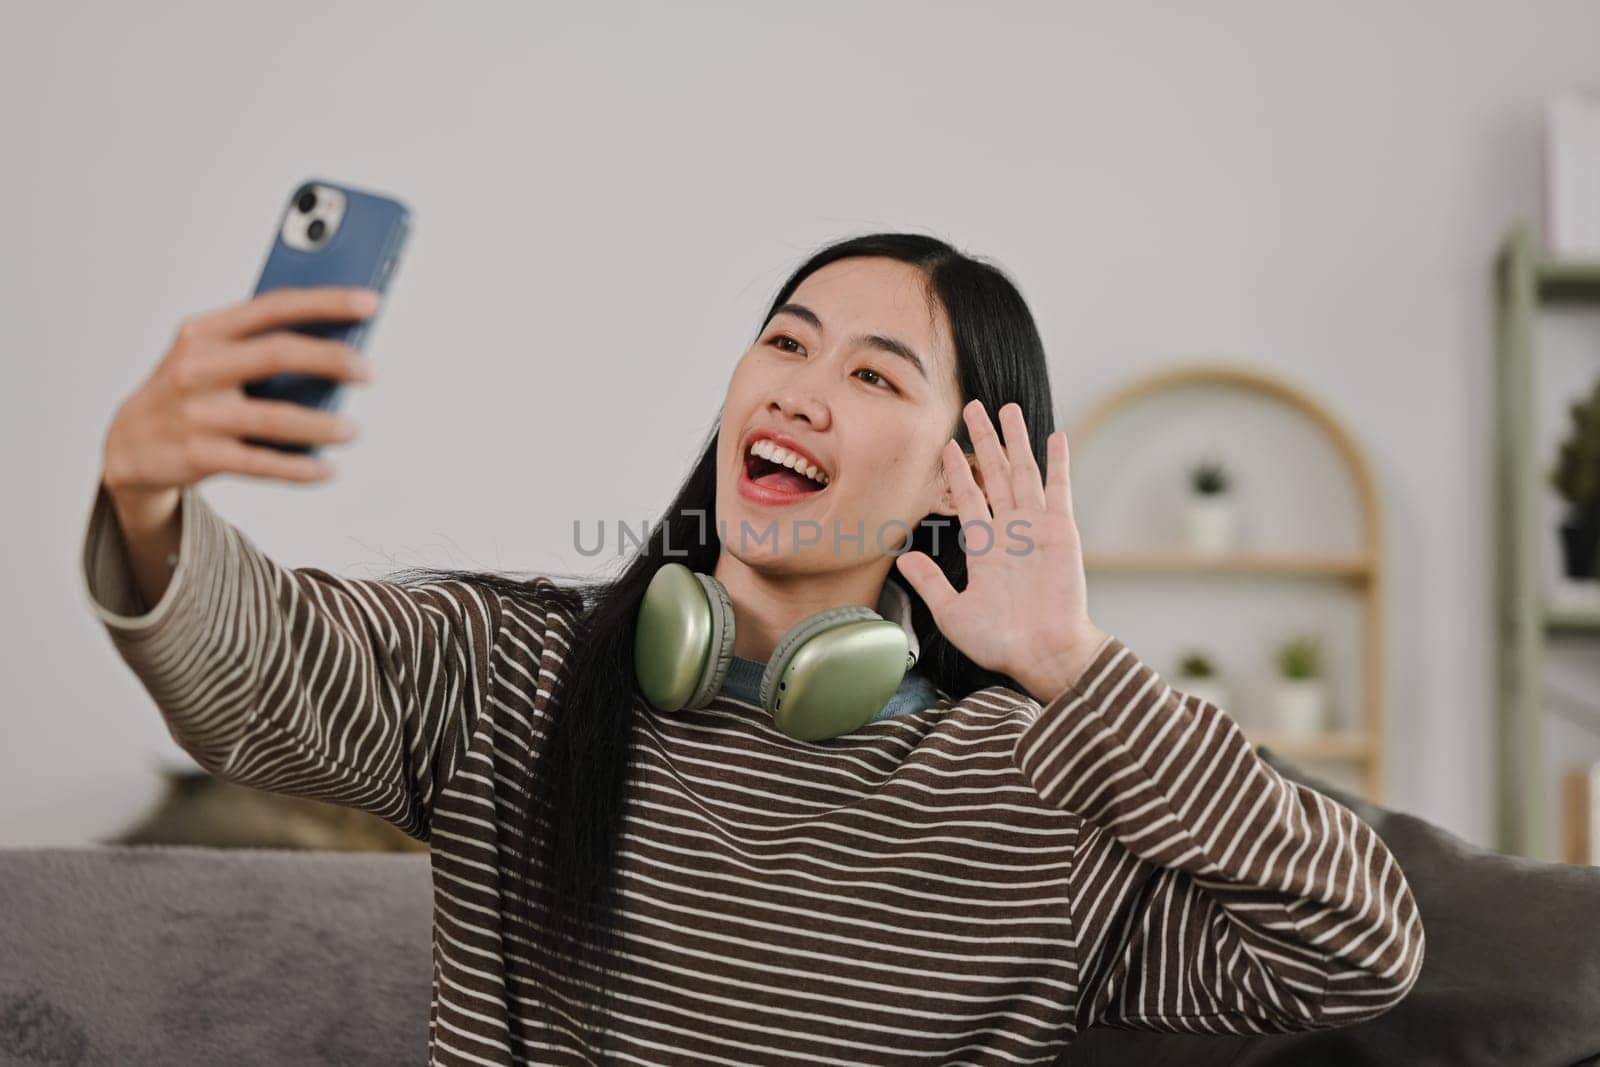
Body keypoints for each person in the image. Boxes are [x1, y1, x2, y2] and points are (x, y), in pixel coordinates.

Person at [82, 233, 1425, 1066]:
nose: (795, 383)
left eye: (873, 374)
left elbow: (1357, 946)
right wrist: (147, 500)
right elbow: (251, 676)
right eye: (784, 341)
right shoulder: (513, 678)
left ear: (962, 476)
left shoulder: (1040, 793)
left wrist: (1071, 663)